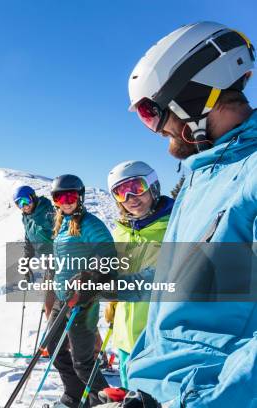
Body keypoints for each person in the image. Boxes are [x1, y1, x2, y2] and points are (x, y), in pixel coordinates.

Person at [98, 21, 256, 408]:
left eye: (152, 112)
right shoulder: (202, 179)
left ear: (193, 98)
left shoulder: (250, 178)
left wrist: (201, 401)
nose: (154, 129)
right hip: (158, 390)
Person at [103, 161, 173, 390]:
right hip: (125, 339)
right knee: (129, 394)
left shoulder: (174, 225)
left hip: (158, 340)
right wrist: (113, 302)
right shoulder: (121, 231)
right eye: (121, 192)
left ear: (153, 185)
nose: (131, 197)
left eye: (136, 186)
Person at [46, 174, 115, 408]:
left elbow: (108, 259)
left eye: (71, 196)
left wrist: (87, 280)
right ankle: (75, 395)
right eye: (59, 197)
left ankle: (104, 403)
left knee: (83, 363)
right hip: (62, 298)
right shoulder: (62, 223)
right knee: (53, 347)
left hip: (83, 302)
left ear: (80, 197)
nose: (65, 201)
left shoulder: (90, 224)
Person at [14, 185, 57, 350]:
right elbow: (28, 241)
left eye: (26, 200)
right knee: (49, 305)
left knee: (68, 308)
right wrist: (26, 262)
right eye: (19, 203)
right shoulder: (26, 217)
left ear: (33, 197)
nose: (24, 206)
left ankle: (96, 353)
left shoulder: (48, 213)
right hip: (49, 264)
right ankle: (59, 345)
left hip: (63, 262)